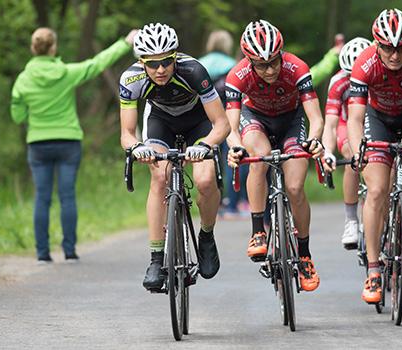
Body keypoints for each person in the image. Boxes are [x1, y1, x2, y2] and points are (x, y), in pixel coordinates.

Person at [10, 27, 137, 264]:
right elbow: (97, 64)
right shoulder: (67, 73)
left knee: (42, 197)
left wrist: (31, 111)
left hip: (38, 144)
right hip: (68, 142)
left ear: (33, 48)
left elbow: (17, 116)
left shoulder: (22, 80)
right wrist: (125, 42)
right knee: (67, 196)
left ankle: (42, 254)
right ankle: (69, 251)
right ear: (54, 47)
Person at [119, 23, 230, 291]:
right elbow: (127, 133)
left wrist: (205, 146)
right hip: (161, 122)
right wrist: (136, 148)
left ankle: (206, 236)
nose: (160, 70)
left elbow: (222, 124)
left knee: (204, 181)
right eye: (153, 64)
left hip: (198, 124)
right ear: (141, 61)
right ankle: (156, 260)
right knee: (161, 176)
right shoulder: (130, 79)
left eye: (166, 62)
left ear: (175, 57)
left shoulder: (193, 70)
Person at [226, 20, 324, 292]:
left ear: (281, 54)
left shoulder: (297, 68)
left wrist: (314, 140)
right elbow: (230, 127)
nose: (269, 70)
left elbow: (315, 118)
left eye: (273, 62)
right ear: (249, 60)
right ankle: (259, 231)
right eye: (261, 65)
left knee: (294, 187)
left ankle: (304, 255)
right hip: (255, 118)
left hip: (291, 121)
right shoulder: (238, 75)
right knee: (261, 157)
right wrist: (235, 147)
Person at [347, 8, 402, 304]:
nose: (394, 55)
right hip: (378, 119)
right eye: (387, 48)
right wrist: (360, 148)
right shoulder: (365, 64)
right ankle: (373, 270)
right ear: (377, 45)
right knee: (376, 191)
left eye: (400, 48)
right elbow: (356, 118)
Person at [322, 37, 372, 249]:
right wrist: (328, 151)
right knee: (354, 157)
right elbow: (331, 124)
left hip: (376, 121)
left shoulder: (382, 74)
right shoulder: (338, 82)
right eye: (351, 75)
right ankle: (351, 220)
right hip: (347, 121)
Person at [199, 30, 249, 219]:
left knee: (210, 159)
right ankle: (234, 204)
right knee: (233, 159)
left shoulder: (200, 63)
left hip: (204, 119)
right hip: (228, 118)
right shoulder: (232, 66)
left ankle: (215, 202)